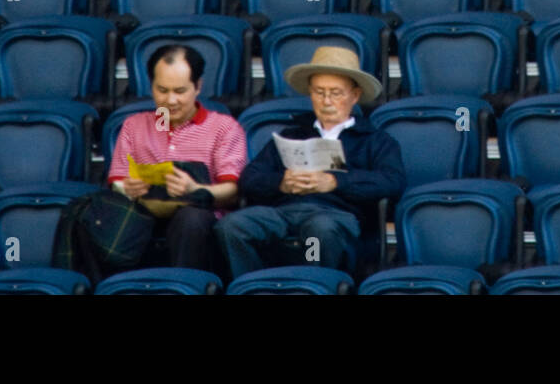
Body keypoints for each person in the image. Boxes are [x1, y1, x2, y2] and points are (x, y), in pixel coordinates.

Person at [215, 46, 405, 278]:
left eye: (336, 93)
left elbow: (392, 181)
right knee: (232, 226)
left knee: (319, 230)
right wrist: (281, 183)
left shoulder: (375, 140)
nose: (326, 101)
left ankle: (317, 286)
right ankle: (253, 285)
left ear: (354, 96)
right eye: (319, 92)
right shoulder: (291, 135)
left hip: (334, 214)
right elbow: (251, 177)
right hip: (283, 212)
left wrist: (335, 182)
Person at [106, 44, 246, 273]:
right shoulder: (134, 125)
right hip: (144, 212)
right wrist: (127, 188)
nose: (170, 101)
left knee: (191, 218)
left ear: (198, 86)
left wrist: (196, 189)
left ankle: (184, 286)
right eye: (162, 90)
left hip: (197, 216)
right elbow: (116, 181)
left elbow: (233, 190)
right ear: (151, 86)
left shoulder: (223, 128)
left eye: (180, 91)